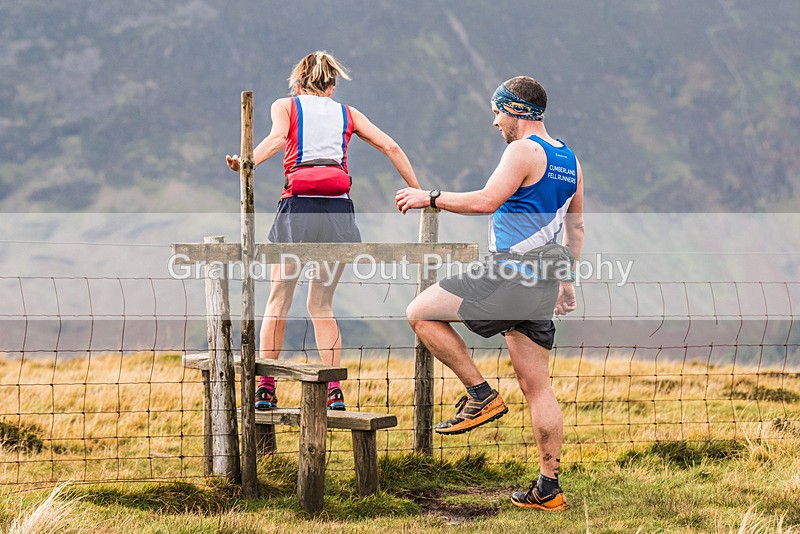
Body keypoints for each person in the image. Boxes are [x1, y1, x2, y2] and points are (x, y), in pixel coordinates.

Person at [395, 76, 584, 511]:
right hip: (543, 282)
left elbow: (486, 201)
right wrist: (566, 279)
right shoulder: (570, 159)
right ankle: (548, 489)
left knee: (421, 311)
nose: (494, 120)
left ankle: (480, 395)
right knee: (538, 388)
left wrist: (431, 197)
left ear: (515, 110)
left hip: (506, 273)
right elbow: (575, 227)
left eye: (498, 110)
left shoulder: (521, 150)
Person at [227, 51, 420, 411]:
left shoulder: (285, 106)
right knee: (321, 304)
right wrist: (419, 191)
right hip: (338, 211)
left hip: (297, 208)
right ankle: (334, 390)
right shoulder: (348, 113)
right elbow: (390, 146)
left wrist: (245, 161)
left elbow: (275, 140)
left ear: (297, 83)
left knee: (278, 300)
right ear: (332, 86)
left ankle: (266, 388)